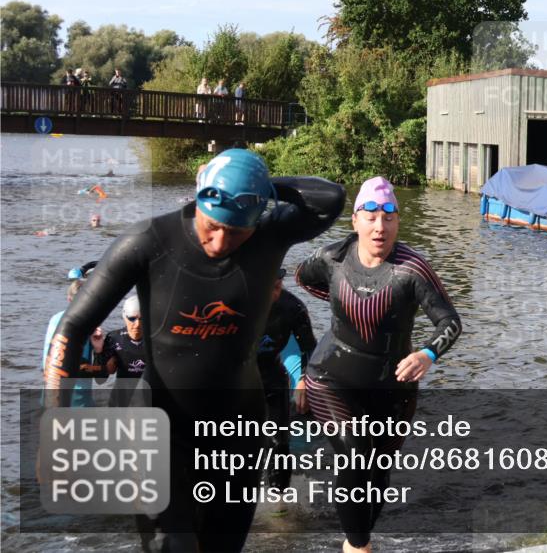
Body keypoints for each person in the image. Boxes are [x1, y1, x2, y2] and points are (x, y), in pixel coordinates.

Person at [43, 148, 346, 552]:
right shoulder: (148, 240)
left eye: (237, 231)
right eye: (213, 225)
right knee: (173, 545)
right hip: (158, 426)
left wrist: (255, 184)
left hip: (237, 428)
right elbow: (73, 327)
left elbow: (332, 198)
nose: (221, 241)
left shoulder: (273, 231)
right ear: (200, 198)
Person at [298, 176, 462, 553]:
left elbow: (450, 322)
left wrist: (427, 354)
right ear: (355, 221)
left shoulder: (411, 269)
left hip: (393, 385)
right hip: (331, 375)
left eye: (389, 217)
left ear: (398, 222)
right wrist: (348, 311)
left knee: (376, 471)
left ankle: (358, 537)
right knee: (354, 454)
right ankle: (358, 548)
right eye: (370, 216)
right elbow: (303, 278)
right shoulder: (332, 258)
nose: (379, 227)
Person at [257, 267, 316, 490]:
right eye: (268, 288)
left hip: (273, 376)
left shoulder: (293, 307)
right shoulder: (236, 303)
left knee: (279, 444)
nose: (274, 293)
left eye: (278, 286)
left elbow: (310, 349)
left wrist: (303, 380)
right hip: (239, 378)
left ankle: (279, 503)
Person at [42, 271, 105, 407]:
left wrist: (98, 349)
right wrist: (99, 353)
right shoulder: (79, 324)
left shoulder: (56, 319)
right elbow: (91, 373)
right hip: (75, 400)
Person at [97, 295, 146, 407]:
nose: (137, 324)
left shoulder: (155, 340)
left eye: (142, 319)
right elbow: (100, 380)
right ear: (124, 317)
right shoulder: (114, 338)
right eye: (132, 318)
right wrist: (98, 351)